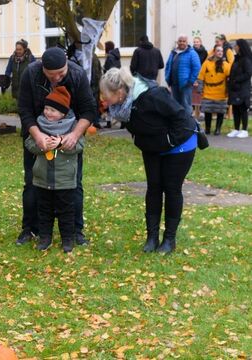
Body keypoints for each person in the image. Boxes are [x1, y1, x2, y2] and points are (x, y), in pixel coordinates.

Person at [100, 67, 197, 254]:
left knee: (171, 188)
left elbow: (180, 116)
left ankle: (169, 239)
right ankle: (152, 237)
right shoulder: (122, 107)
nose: (103, 99)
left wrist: (169, 141)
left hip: (180, 143)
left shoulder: (152, 96)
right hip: (153, 146)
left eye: (106, 95)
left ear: (120, 92)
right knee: (154, 187)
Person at [16, 47, 96, 247]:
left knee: (73, 184)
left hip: (70, 135)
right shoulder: (31, 74)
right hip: (37, 135)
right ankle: (31, 228)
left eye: (62, 73)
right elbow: (24, 110)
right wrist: (38, 136)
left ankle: (76, 231)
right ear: (43, 69)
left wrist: (74, 135)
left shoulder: (77, 74)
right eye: (53, 75)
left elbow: (89, 109)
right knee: (32, 182)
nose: (58, 77)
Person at [24, 86, 84, 253]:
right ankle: (45, 238)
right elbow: (29, 143)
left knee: (66, 212)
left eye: (53, 110)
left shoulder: (73, 127)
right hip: (42, 178)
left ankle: (67, 239)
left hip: (65, 179)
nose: (48, 113)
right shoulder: (39, 126)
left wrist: (62, 143)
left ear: (63, 113)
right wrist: (41, 144)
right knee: (44, 211)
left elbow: (80, 145)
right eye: (46, 108)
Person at [195, 46, 231, 135]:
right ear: (214, 52)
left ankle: (217, 129)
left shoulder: (226, 65)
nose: (220, 52)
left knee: (220, 112)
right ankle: (207, 129)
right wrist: (200, 89)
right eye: (218, 51)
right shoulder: (206, 63)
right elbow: (201, 77)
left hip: (221, 93)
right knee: (208, 112)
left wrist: (229, 90)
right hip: (208, 93)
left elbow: (229, 78)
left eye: (221, 51)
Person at [165, 34, 201, 115]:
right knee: (175, 105)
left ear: (187, 42)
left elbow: (197, 68)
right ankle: (178, 123)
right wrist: (167, 77)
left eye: (184, 41)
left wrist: (190, 81)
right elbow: (168, 65)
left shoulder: (192, 53)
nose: (182, 43)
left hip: (186, 84)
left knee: (186, 105)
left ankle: (187, 123)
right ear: (177, 42)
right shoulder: (173, 52)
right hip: (174, 84)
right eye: (180, 41)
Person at [227, 39, 252, 138]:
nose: (234, 47)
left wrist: (236, 80)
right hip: (235, 89)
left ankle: (244, 130)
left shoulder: (246, 59)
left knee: (242, 109)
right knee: (235, 109)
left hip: (243, 89)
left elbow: (248, 73)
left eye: (236, 45)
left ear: (240, 46)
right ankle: (236, 129)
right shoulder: (236, 58)